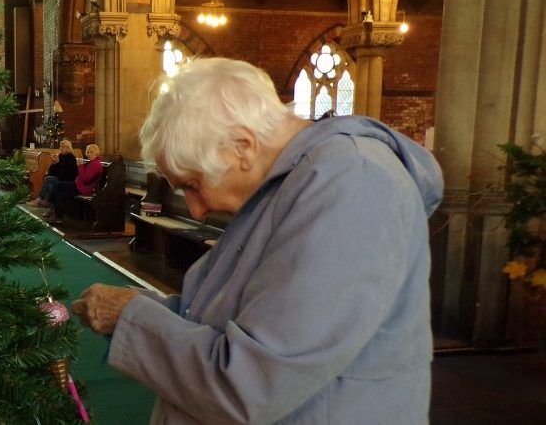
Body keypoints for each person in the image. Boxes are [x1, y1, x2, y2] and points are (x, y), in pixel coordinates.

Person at [71, 58, 443, 424]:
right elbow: (235, 316)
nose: (198, 211)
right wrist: (148, 309)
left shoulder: (352, 184)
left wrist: (130, 317)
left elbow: (252, 385)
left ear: (243, 147)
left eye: (193, 186)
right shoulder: (289, 183)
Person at [45, 143, 103, 220]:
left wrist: (80, 165)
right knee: (60, 193)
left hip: (85, 189)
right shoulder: (92, 162)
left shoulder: (96, 164)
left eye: (91, 152)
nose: (89, 154)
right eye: (88, 152)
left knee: (57, 185)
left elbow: (86, 179)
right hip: (80, 186)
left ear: (96, 153)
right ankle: (57, 216)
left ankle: (50, 203)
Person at [28, 140, 79, 207]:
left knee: (49, 179)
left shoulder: (71, 158)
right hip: (59, 178)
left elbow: (65, 174)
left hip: (68, 181)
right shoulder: (60, 156)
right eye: (60, 146)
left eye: (63, 147)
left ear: (68, 148)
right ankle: (45, 202)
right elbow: (51, 171)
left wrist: (58, 163)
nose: (61, 148)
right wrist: (54, 163)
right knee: (48, 179)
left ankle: (40, 200)